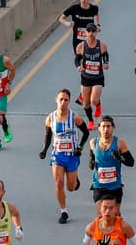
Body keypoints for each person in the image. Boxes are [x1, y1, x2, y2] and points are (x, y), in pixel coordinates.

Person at [41, 87, 89, 224]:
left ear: (69, 102)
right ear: (56, 100)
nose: (63, 102)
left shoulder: (75, 117)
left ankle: (74, 180)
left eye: (66, 100)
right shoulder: (50, 118)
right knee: (58, 183)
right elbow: (48, 135)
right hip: (58, 154)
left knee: (70, 187)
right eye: (61, 99)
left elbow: (86, 133)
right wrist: (44, 150)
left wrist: (80, 147)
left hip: (72, 155)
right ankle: (64, 211)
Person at [88, 115, 134, 206]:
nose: (106, 129)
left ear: (113, 128)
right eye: (103, 126)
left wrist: (120, 158)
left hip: (115, 186)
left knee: (115, 216)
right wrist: (91, 162)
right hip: (99, 185)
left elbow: (131, 162)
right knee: (101, 214)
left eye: (108, 126)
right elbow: (91, 165)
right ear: (99, 128)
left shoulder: (119, 143)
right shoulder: (93, 143)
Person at [75, 27, 110, 129]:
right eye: (89, 31)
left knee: (94, 100)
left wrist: (106, 63)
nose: (91, 33)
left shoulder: (101, 45)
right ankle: (90, 121)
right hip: (86, 77)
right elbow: (77, 59)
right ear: (85, 33)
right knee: (86, 103)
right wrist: (78, 66)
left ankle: (98, 106)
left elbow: (105, 56)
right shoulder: (81, 46)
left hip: (98, 77)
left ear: (96, 32)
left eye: (93, 31)